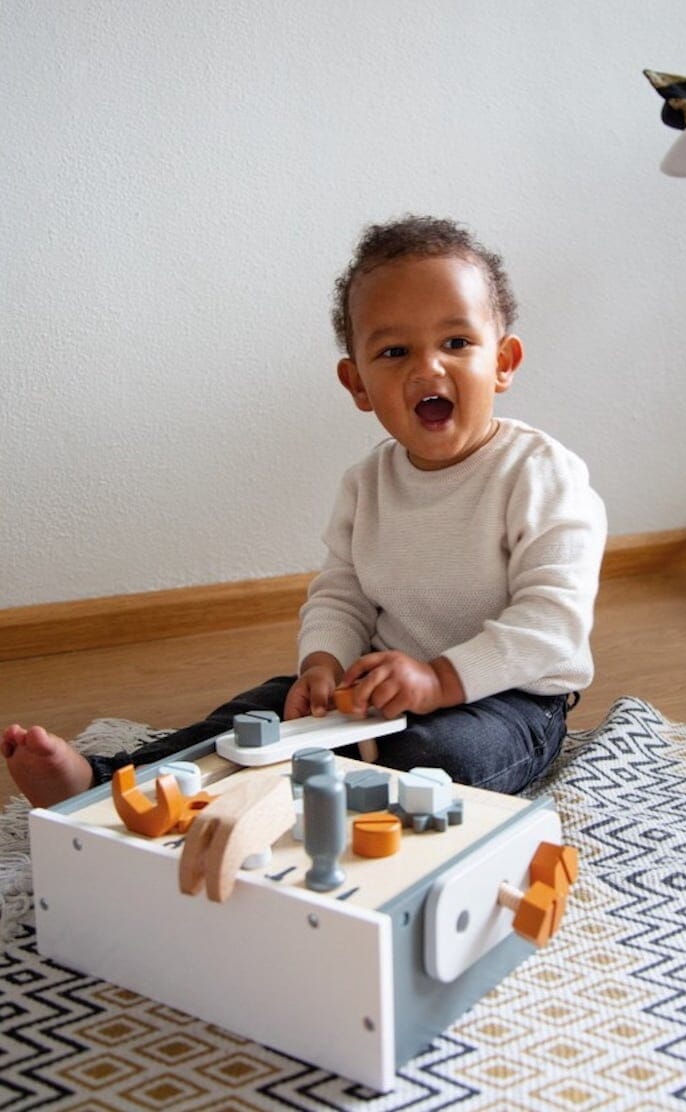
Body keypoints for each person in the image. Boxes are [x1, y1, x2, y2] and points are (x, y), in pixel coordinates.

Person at [3, 215, 607, 807]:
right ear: (358, 385)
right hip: (375, 688)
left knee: (439, 760)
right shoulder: (368, 482)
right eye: (395, 351)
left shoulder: (540, 474)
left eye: (456, 342)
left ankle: (319, 802)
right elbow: (341, 593)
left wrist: (439, 682)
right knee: (254, 717)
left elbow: (552, 625)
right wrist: (323, 664)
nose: (428, 367)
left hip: (508, 698)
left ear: (502, 362)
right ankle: (107, 783)